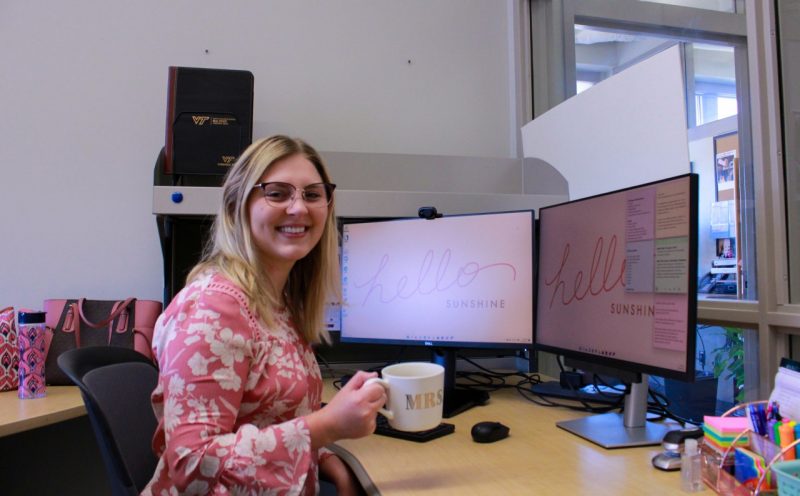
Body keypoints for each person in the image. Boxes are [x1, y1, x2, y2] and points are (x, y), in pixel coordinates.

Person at [142, 135, 387, 495]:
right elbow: (190, 464)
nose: (299, 208)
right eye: (277, 193)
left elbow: (269, 420)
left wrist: (328, 459)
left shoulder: (275, 303)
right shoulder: (214, 308)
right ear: (237, 206)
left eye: (312, 194)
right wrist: (328, 426)